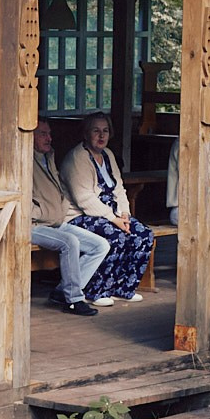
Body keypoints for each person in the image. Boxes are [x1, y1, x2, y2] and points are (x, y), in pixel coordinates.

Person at [63, 113, 155, 305]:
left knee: (144, 234)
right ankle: (95, 291)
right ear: (86, 134)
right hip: (80, 215)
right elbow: (84, 199)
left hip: (111, 214)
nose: (101, 136)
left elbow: (119, 188)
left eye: (105, 131)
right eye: (96, 131)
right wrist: (114, 219)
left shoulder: (108, 155)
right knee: (115, 235)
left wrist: (125, 214)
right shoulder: (77, 157)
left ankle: (123, 288)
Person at [28, 119, 105, 317]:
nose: (49, 138)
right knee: (70, 242)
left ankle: (62, 292)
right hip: (33, 225)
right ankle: (74, 300)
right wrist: (38, 213)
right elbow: (19, 194)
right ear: (31, 136)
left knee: (100, 245)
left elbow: (60, 188)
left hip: (56, 222)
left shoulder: (48, 156)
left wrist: (60, 209)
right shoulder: (24, 159)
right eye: (43, 134)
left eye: (49, 133)